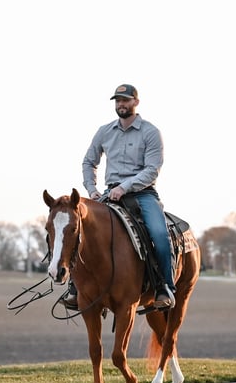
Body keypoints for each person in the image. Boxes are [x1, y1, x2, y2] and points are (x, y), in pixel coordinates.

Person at [61, 83, 176, 310]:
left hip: (142, 193)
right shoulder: (104, 131)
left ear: (136, 102)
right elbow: (88, 162)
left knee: (160, 235)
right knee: (81, 230)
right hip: (109, 193)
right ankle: (76, 287)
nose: (121, 104)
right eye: (118, 101)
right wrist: (91, 189)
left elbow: (152, 169)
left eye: (125, 100)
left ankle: (165, 287)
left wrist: (125, 186)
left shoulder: (150, 132)